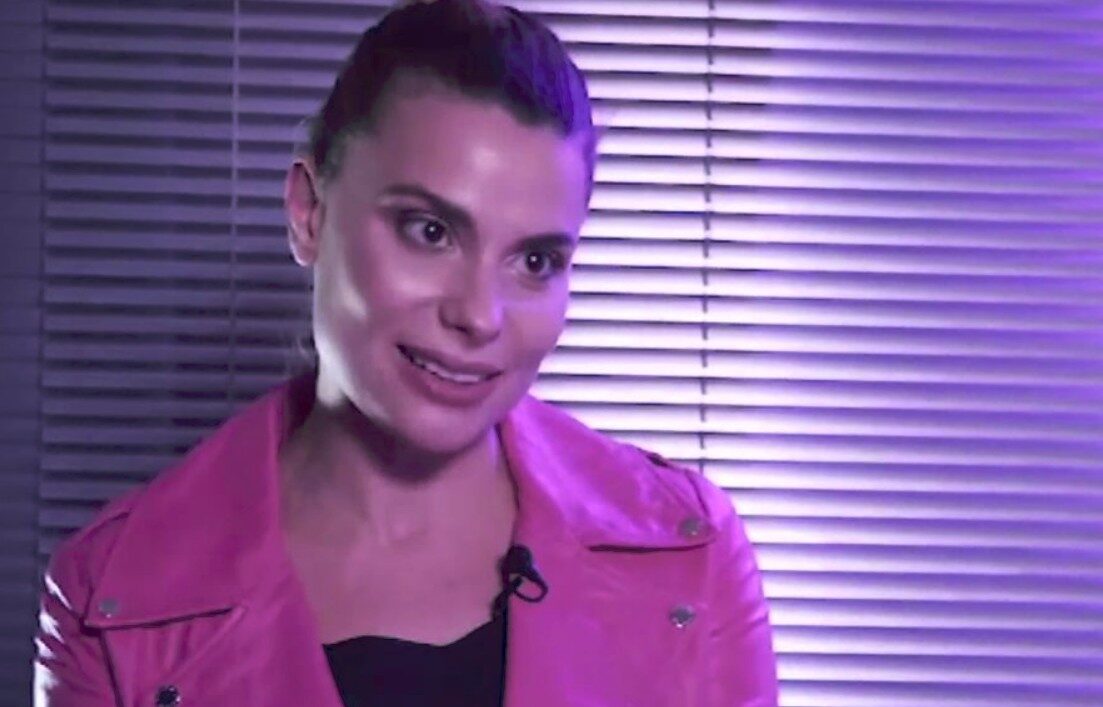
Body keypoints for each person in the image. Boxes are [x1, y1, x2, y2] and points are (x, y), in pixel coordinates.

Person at [32, 1, 778, 705]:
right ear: (309, 213)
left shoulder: (692, 554)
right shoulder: (111, 598)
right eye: (430, 231)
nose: (479, 315)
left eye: (535, 261)